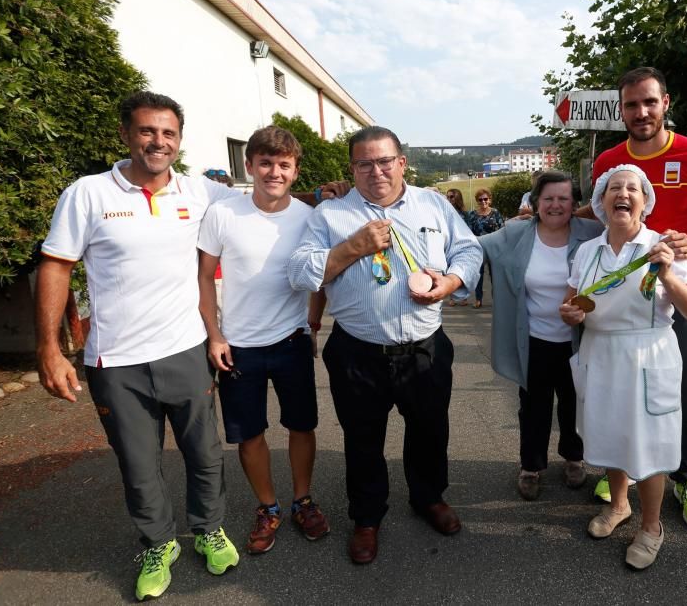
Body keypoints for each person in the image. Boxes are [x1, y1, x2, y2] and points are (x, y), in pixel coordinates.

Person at [35, 91, 241, 600]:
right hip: (115, 360)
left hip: (186, 349)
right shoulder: (86, 194)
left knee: (205, 453)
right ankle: (157, 542)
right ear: (126, 134)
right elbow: (56, 265)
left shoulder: (201, 194)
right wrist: (50, 349)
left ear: (179, 141)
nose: (158, 141)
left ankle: (209, 528)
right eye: (147, 131)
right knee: (138, 463)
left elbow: (260, 210)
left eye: (168, 133)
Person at [287, 125, 482, 565]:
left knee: (430, 431)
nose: (375, 171)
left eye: (384, 161)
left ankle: (428, 497)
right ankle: (367, 517)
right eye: (364, 163)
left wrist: (448, 281)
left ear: (401, 163)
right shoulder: (330, 216)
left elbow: (469, 252)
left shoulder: (433, 204)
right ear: (352, 169)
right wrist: (353, 246)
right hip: (358, 351)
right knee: (362, 439)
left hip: (424, 347)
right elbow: (300, 273)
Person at [583, 67, 687, 529]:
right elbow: (596, 213)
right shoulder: (610, 162)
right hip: (623, 298)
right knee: (619, 387)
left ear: (665, 103)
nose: (641, 112)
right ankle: (624, 471)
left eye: (649, 103)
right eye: (632, 105)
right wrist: (540, 217)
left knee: (682, 391)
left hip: (678, 290)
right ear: (621, 110)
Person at [561, 165, 687, 570]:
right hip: (601, 353)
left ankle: (651, 527)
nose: (623, 193)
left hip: (647, 356)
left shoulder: (661, 246)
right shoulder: (588, 251)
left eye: (633, 189)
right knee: (609, 433)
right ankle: (619, 505)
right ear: (601, 202)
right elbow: (572, 303)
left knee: (646, 445)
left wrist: (669, 277)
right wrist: (571, 315)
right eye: (614, 188)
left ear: (644, 203)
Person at [196, 125, 329, 556]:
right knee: (249, 434)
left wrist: (312, 322)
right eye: (266, 163)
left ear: (295, 171)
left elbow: (319, 275)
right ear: (250, 165)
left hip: (290, 341)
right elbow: (202, 276)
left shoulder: (308, 217)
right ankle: (267, 507)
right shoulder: (224, 214)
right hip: (238, 346)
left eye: (284, 165)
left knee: (301, 425)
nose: (274, 171)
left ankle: (302, 500)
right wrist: (214, 334)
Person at [480, 171, 603, 500]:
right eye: (548, 198)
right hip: (533, 340)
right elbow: (471, 247)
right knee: (533, 406)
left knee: (574, 403)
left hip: (579, 340)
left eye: (564, 198)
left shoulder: (592, 233)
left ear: (575, 204)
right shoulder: (516, 232)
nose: (555, 205)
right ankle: (531, 466)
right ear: (534, 203)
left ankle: (574, 458)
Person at [466, 187, 505, 308]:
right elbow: (468, 231)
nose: (483, 202)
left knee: (495, 275)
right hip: (478, 247)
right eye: (480, 199)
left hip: (494, 247)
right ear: (477, 201)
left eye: (485, 199)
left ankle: (497, 299)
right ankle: (478, 299)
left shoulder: (496, 213)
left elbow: (502, 229)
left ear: (489, 200)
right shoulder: (472, 214)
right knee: (478, 274)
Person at [444, 188, 472, 306]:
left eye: (452, 197)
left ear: (458, 198)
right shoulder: (444, 212)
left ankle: (464, 297)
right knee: (449, 271)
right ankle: (452, 297)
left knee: (461, 270)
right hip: (448, 245)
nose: (449, 199)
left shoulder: (465, 214)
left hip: (461, 245)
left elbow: (469, 229)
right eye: (448, 197)